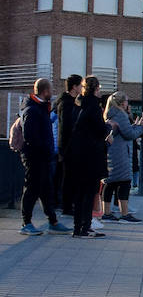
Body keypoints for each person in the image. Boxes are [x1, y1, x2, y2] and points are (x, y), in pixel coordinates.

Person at [18, 79, 69, 235]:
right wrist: (43, 150)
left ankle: (52, 221)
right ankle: (26, 223)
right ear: (44, 91)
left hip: (44, 157)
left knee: (46, 189)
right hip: (35, 158)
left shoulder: (41, 108)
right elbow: (30, 136)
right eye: (51, 90)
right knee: (32, 189)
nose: (53, 92)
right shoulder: (33, 110)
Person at [68, 75, 110, 238]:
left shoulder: (78, 104)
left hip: (77, 154)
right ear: (96, 89)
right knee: (89, 192)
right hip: (91, 155)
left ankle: (78, 227)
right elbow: (100, 129)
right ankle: (85, 227)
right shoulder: (93, 106)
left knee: (79, 193)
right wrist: (108, 127)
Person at [102, 92, 143, 222]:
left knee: (110, 183)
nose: (127, 104)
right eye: (126, 101)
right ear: (121, 103)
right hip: (120, 154)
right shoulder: (121, 115)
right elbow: (129, 134)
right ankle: (124, 214)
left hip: (112, 152)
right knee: (124, 183)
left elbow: (123, 131)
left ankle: (106, 213)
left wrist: (136, 125)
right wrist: (142, 126)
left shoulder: (111, 113)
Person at [55, 74, 82, 216]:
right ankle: (66, 206)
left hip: (69, 146)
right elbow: (65, 127)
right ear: (74, 87)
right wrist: (65, 149)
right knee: (68, 177)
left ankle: (68, 204)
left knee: (69, 176)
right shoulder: (66, 103)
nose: (82, 88)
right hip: (68, 147)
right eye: (81, 85)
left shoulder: (69, 102)